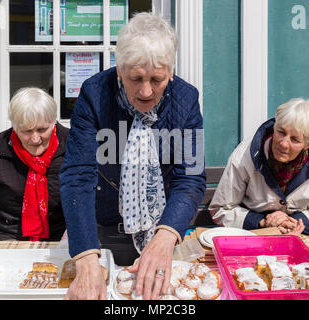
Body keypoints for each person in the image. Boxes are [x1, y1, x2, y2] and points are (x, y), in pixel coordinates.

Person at [60, 12, 206, 300]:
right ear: (119, 69)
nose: (146, 91)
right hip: (102, 233)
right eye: (135, 78)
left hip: (164, 231)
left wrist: (165, 236)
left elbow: (190, 179)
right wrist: (87, 257)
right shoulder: (93, 94)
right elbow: (78, 176)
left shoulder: (187, 99)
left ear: (171, 72)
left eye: (157, 79)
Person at [209, 98, 309, 235]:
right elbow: (220, 209)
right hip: (249, 237)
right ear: (274, 126)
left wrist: (294, 223)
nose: (283, 143)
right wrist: (262, 221)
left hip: (294, 238)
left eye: (294, 139)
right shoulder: (244, 155)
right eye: (281, 132)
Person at [0, 87, 69, 241]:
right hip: (4, 238)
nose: (35, 139)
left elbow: (90, 204)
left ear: (53, 123)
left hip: (60, 239)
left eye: (42, 130)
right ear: (15, 127)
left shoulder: (72, 146)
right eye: (27, 131)